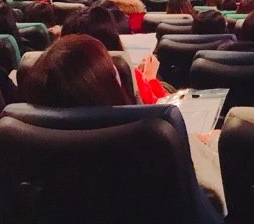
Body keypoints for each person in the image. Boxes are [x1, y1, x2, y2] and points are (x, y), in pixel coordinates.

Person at [21, 34, 226, 212]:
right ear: (111, 87)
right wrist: (206, 143)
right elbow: (218, 197)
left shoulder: (22, 146)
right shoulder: (161, 138)